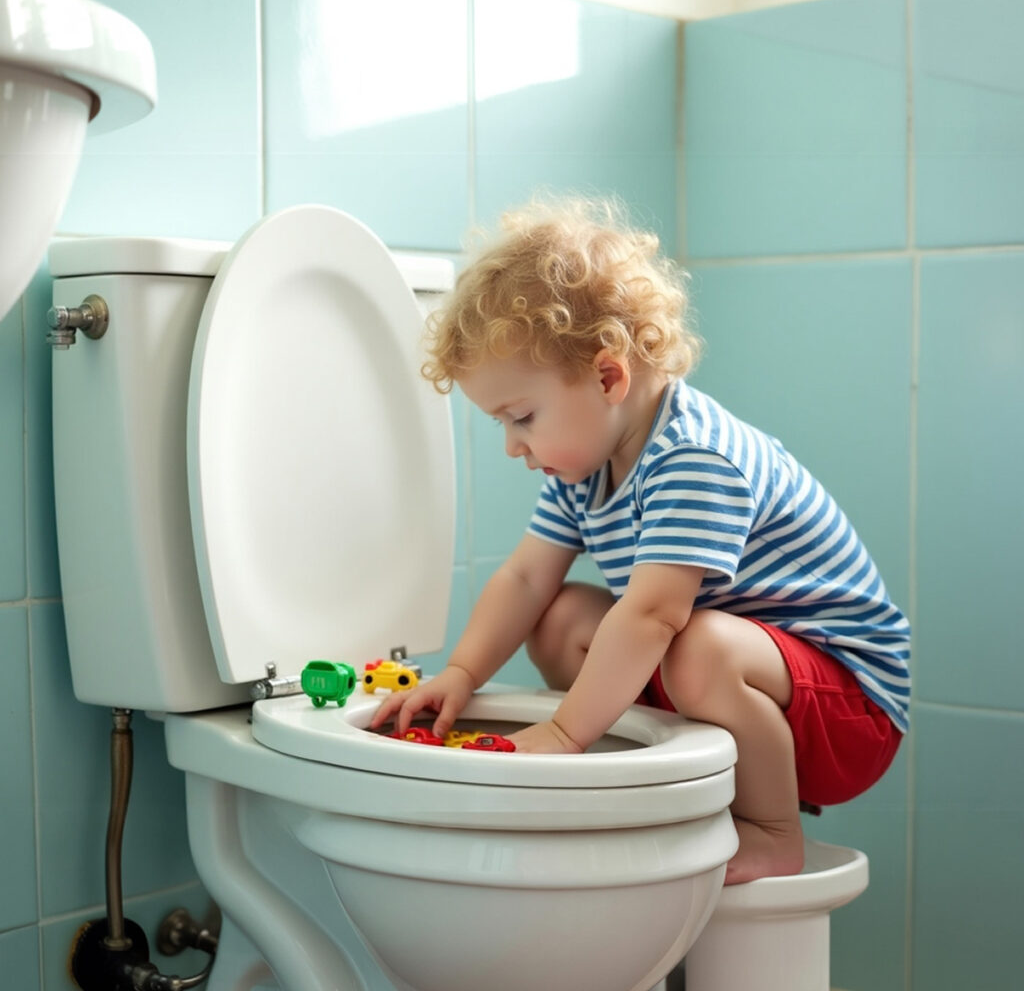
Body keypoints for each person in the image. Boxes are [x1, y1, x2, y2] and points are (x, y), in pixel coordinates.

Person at [371, 196, 910, 885]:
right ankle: (673, 793)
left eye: (522, 418)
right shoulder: (587, 465)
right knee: (562, 614)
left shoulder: (693, 457)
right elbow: (525, 580)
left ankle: (774, 832)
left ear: (607, 376)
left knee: (695, 644)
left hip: (848, 709)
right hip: (738, 679)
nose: (514, 446)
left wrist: (567, 734)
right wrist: (461, 674)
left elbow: (656, 615)